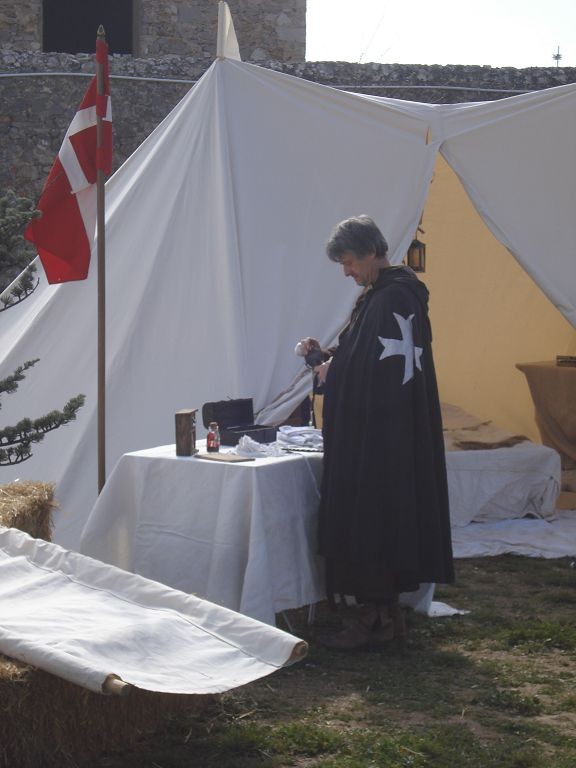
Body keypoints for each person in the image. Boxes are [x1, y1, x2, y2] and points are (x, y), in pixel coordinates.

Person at [297, 215, 454, 650]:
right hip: (385, 429)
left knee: (374, 516)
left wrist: (333, 371)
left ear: (370, 252)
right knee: (380, 515)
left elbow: (374, 371)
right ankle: (384, 616)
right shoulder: (386, 296)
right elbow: (363, 353)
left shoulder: (390, 299)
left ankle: (377, 618)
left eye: (349, 262)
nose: (346, 272)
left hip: (382, 433)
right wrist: (326, 356)